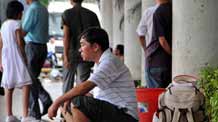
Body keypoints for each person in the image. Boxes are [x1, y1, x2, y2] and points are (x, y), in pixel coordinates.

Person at [48, 27, 138, 122]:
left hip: (125, 116)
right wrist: (66, 99)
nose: (80, 50)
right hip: (112, 113)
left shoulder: (109, 62)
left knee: (78, 101)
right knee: (68, 103)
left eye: (82, 45)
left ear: (95, 47)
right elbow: (89, 93)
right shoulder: (99, 64)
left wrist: (57, 102)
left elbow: (84, 88)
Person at [0, 1, 36, 121]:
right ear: (17, 13)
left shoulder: (4, 25)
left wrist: (0, 61)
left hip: (6, 57)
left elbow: (0, 44)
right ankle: (25, 115)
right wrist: (24, 57)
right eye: (21, 12)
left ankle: (9, 115)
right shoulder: (16, 24)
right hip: (16, 56)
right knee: (26, 83)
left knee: (8, 85)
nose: (22, 14)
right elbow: (20, 42)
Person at [22, 0, 52, 119]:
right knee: (33, 79)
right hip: (43, 47)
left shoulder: (33, 9)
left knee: (29, 81)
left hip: (32, 47)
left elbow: (24, 31)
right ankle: (45, 100)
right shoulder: (43, 8)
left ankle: (34, 113)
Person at [62, 0, 100, 94]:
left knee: (67, 85)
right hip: (87, 55)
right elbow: (98, 37)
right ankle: (80, 107)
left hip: (71, 55)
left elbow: (66, 36)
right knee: (82, 86)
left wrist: (66, 56)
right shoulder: (92, 15)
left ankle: (65, 108)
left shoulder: (67, 14)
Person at [145, 0, 172, 88]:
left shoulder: (158, 12)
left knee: (155, 97)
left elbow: (162, 40)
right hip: (168, 63)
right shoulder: (173, 9)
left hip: (156, 61)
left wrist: (172, 54)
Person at [136, 3, 159, 87]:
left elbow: (141, 34)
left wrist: (146, 50)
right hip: (169, 57)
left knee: (154, 92)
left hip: (152, 56)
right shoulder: (170, 9)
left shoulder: (150, 11)